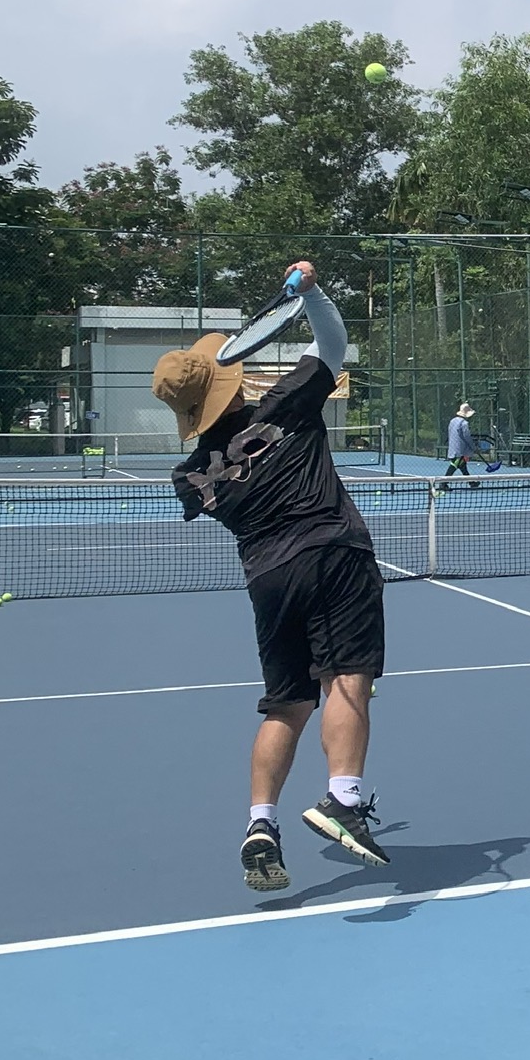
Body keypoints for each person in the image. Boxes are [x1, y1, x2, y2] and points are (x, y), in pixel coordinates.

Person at [153, 263, 390, 891]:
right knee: (349, 679)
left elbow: (228, 458)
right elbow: (332, 344)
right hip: (334, 553)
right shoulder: (287, 405)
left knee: (285, 703)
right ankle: (344, 798)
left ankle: (261, 824)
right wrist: (311, 292)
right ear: (229, 378)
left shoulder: (190, 480)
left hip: (268, 580)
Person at [445, 401, 488, 484]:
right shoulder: (464, 423)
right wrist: (473, 447)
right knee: (454, 465)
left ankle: (471, 482)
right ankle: (443, 484)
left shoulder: (452, 421)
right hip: (460, 450)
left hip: (453, 447)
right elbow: (467, 437)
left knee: (463, 466)